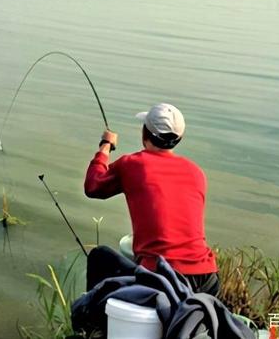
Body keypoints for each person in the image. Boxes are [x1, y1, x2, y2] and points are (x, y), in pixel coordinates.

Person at [84, 103, 219, 296]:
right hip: (207, 279)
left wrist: (106, 146)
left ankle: (93, 323)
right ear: (179, 139)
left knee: (99, 256)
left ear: (144, 133)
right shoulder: (196, 172)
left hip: (162, 276)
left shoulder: (132, 164)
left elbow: (93, 186)